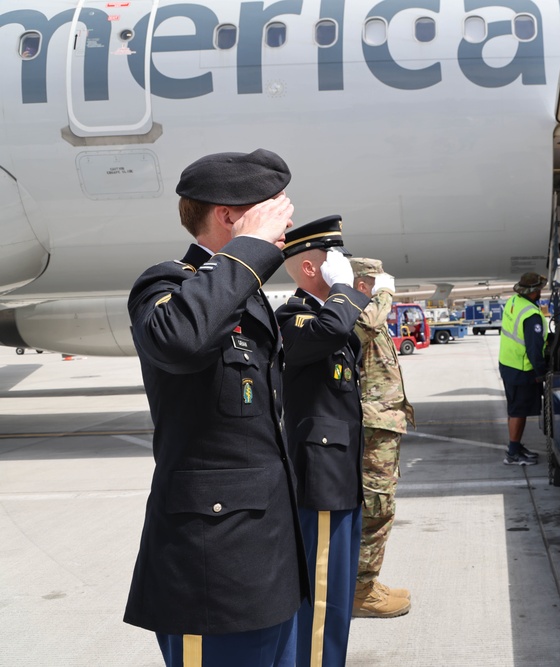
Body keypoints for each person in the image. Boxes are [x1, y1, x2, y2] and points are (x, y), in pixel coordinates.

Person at [125, 148, 307, 667]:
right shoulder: (168, 285)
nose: (286, 217)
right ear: (230, 216)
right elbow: (179, 340)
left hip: (268, 556)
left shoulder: (242, 296)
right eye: (272, 206)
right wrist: (249, 249)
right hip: (213, 570)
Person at [276, 215, 371, 667]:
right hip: (321, 480)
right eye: (336, 263)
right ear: (313, 270)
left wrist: (346, 295)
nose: (346, 270)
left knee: (338, 593)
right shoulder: (293, 318)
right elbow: (331, 330)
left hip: (340, 477)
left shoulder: (330, 316)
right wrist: (343, 291)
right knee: (322, 597)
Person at [350, 257, 415, 618]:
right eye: (375, 282)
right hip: (373, 429)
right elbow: (370, 324)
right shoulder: (360, 313)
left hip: (384, 426)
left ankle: (367, 582)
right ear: (363, 284)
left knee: (381, 507)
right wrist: (384, 293)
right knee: (377, 509)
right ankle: (361, 591)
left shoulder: (367, 311)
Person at [499, 272, 549, 466]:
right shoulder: (531, 315)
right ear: (534, 291)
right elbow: (534, 350)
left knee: (514, 409)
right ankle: (512, 453)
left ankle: (516, 446)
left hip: (508, 363)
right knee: (519, 411)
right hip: (521, 369)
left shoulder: (513, 301)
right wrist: (541, 373)